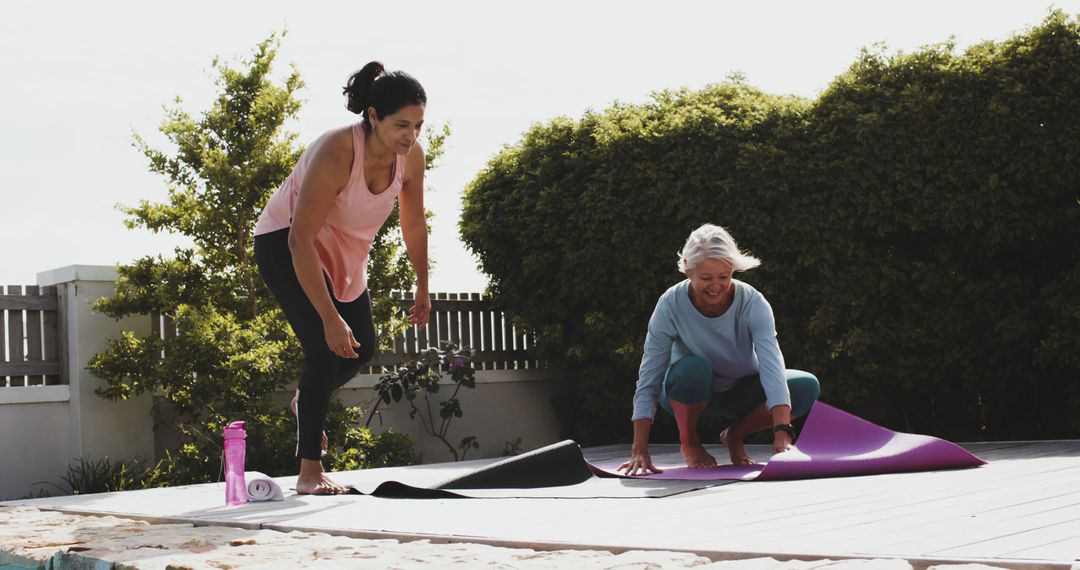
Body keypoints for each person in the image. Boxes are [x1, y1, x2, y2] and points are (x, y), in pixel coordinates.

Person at [253, 62, 431, 494]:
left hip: (346, 249)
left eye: (419, 125)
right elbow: (300, 239)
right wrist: (330, 316)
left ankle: (306, 399)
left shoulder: (411, 159)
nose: (411, 136)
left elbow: (413, 223)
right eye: (402, 125)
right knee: (322, 346)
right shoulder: (337, 150)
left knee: (362, 346)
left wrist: (423, 284)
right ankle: (309, 473)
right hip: (287, 243)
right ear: (373, 117)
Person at [619, 224, 820, 475]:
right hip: (685, 390)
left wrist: (782, 433)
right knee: (694, 369)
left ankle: (734, 435)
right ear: (688, 271)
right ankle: (690, 441)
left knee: (806, 386)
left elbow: (772, 366)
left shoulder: (753, 302)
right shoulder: (669, 305)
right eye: (706, 278)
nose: (715, 286)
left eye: (724, 276)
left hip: (740, 390)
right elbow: (649, 376)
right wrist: (639, 449)